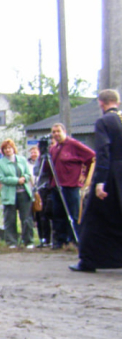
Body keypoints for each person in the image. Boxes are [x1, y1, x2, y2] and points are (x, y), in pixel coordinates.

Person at [71, 89, 122, 272]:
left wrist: (99, 182)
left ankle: (88, 261)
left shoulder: (104, 121)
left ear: (101, 103)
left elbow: (103, 152)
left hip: (110, 176)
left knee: (92, 219)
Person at [47, 122, 94, 249]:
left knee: (74, 214)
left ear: (64, 132)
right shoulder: (53, 149)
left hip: (71, 185)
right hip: (57, 186)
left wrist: (85, 176)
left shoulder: (73, 144)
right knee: (58, 215)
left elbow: (92, 156)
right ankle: (60, 240)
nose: (56, 134)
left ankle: (76, 239)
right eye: (54, 132)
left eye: (58, 131)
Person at [0, 139, 35, 248]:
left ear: (14, 149)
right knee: (10, 219)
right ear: (3, 151)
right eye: (5, 148)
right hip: (10, 195)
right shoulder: (0, 163)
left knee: (26, 219)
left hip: (24, 193)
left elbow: (27, 174)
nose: (8, 150)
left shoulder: (22, 160)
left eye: (10, 148)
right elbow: (2, 178)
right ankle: (11, 242)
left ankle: (29, 241)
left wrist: (24, 178)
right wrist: (16, 180)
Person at [29, 143, 52, 247]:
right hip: (41, 188)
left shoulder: (52, 155)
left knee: (52, 213)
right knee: (41, 215)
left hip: (52, 187)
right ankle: (43, 238)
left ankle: (53, 238)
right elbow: (37, 171)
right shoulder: (39, 160)